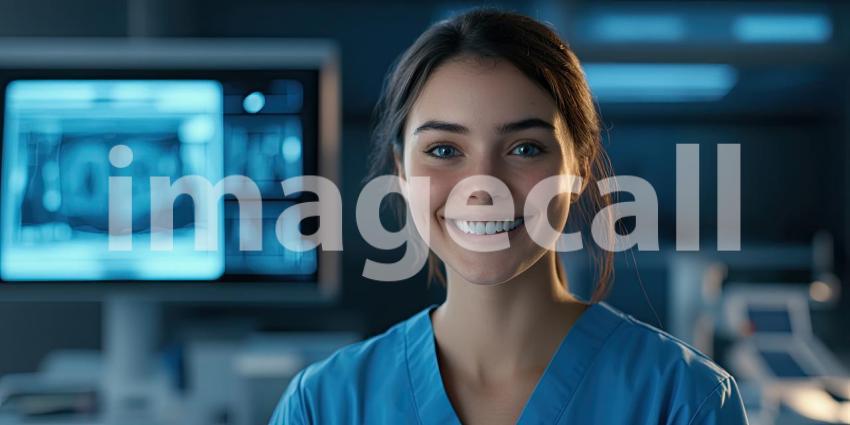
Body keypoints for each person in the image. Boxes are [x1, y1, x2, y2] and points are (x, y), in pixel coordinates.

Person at [270, 8, 748, 425]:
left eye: (525, 148)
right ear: (400, 170)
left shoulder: (683, 402)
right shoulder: (323, 406)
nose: (484, 186)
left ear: (579, 166)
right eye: (443, 149)